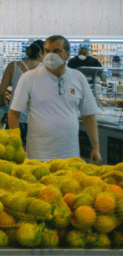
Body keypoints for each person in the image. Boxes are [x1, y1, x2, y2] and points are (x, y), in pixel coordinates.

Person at [8, 35, 102, 164]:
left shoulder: (78, 78)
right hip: (38, 157)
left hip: (70, 157)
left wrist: (96, 148)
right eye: (47, 51)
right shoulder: (29, 78)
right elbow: (14, 113)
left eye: (56, 51)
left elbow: (89, 116)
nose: (50, 55)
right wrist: (18, 146)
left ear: (67, 54)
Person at [0, 39, 44, 144]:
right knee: (34, 155)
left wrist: (3, 105)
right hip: (37, 119)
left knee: (13, 151)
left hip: (14, 117)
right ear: (41, 53)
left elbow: (1, 91)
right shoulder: (44, 69)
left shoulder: (12, 66)